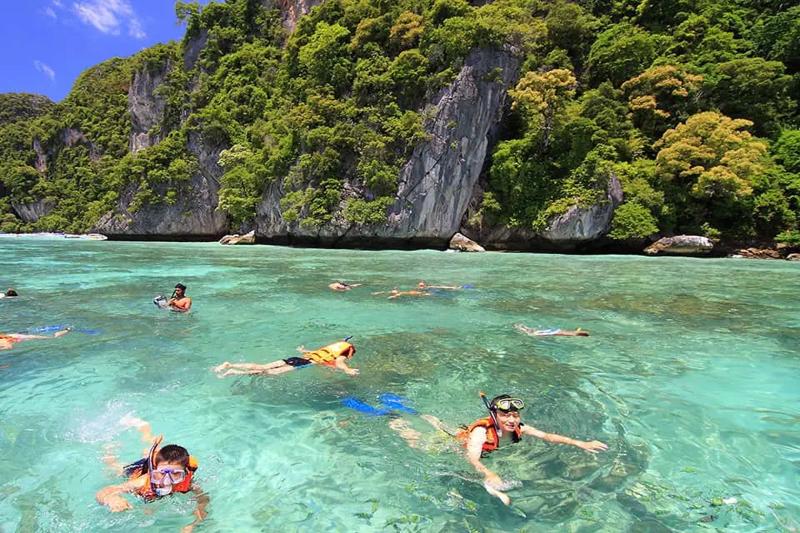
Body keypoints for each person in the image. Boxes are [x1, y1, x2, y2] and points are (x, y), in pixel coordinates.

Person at [391, 394, 607, 505]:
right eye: (506, 415)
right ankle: (396, 420)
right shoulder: (481, 432)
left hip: (465, 436)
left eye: (515, 415)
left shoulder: (519, 428)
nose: (512, 420)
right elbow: (472, 458)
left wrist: (580, 443)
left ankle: (422, 415)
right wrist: (489, 473)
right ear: (494, 416)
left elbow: (547, 436)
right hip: (456, 445)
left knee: (445, 427)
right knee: (419, 443)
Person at [97, 416, 208, 532]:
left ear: (184, 473)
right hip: (138, 470)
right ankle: (110, 450)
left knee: (154, 453)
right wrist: (112, 498)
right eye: (162, 473)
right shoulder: (142, 482)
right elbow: (103, 492)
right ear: (154, 470)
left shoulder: (188, 483)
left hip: (161, 463)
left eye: (176, 474)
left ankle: (146, 432)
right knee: (115, 469)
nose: (166, 480)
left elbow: (203, 500)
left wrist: (194, 523)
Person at [213, 339, 358, 377]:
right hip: (302, 363)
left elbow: (315, 353)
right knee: (269, 373)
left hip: (295, 358)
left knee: (263, 367)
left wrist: (303, 350)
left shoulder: (329, 350)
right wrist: (347, 370)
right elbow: (339, 362)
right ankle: (234, 371)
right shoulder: (342, 355)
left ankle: (230, 365)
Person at [0, 328, 70, 350]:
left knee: (52, 338)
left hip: (19, 337)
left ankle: (66, 330)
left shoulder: (2, 341)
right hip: (16, 336)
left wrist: (2, 348)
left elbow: (9, 347)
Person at [514, 323, 589, 337]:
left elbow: (577, 331)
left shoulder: (574, 332)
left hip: (555, 330)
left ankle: (523, 327)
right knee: (535, 334)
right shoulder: (574, 334)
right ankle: (523, 328)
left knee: (536, 332)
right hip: (554, 332)